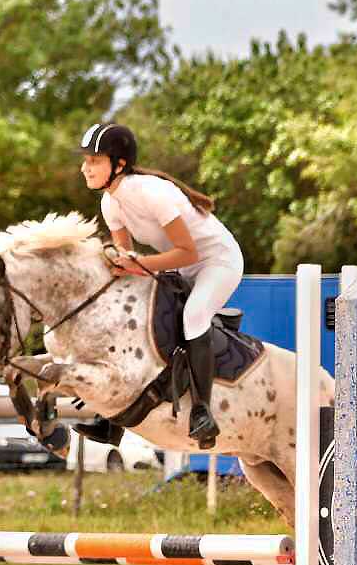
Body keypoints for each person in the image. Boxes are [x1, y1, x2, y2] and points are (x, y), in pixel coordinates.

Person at [73, 122, 244, 450]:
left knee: (193, 315)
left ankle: (202, 412)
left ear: (119, 164)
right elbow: (126, 261)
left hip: (217, 262)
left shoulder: (151, 192)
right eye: (85, 161)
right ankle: (111, 420)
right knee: (131, 314)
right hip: (179, 264)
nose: (85, 168)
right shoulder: (110, 203)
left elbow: (187, 251)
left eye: (94, 160)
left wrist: (135, 262)